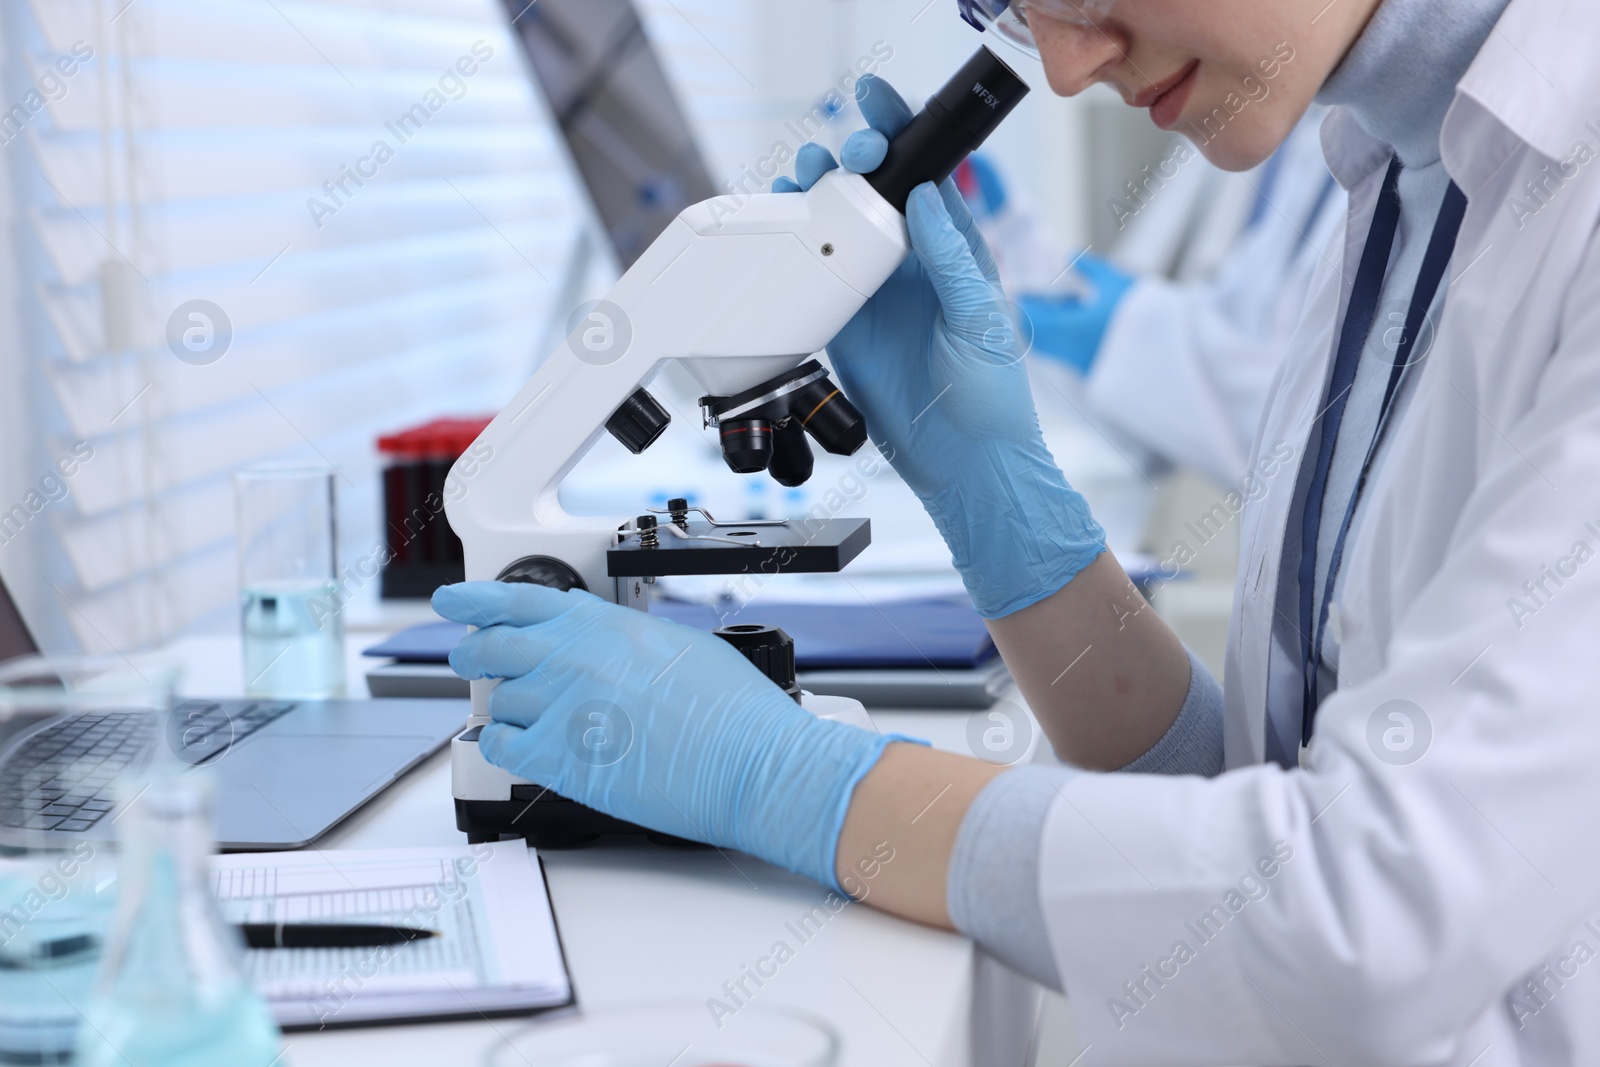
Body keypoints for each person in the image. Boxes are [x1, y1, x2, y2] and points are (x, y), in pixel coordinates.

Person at [436, 0, 1600, 1060]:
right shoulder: (1401, 172)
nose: (1061, 62)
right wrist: (1004, 507)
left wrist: (784, 779)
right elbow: (1249, 808)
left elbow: (1361, 922)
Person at [956, 115, 1344, 485]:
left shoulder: (1362, 164)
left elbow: (1311, 434)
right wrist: (1018, 246)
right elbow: (1233, 323)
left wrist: (1122, 332)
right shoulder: (1316, 149)